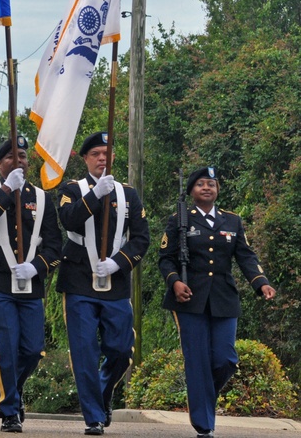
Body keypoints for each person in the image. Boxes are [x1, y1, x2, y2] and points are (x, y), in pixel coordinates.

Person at [158, 167, 276, 438]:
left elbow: (245, 255)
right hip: (189, 299)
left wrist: (261, 282)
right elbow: (165, 258)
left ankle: (201, 396)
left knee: (225, 359)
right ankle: (204, 425)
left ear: (218, 189)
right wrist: (175, 282)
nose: (207, 188)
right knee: (197, 360)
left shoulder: (232, 221)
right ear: (191, 191)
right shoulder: (179, 219)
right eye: (200, 184)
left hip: (223, 297)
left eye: (211, 184)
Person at [57, 131, 149, 436]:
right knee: (84, 352)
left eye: (106, 154)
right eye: (95, 153)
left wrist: (119, 262)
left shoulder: (128, 194)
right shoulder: (72, 189)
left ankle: (102, 390)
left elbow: (141, 239)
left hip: (116, 283)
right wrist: (95, 196)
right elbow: (69, 220)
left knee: (121, 349)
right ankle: (94, 417)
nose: (101, 159)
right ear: (85, 159)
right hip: (79, 282)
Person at [0, 135, 62, 433]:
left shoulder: (43, 197)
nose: (18, 161)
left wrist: (37, 267)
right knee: (8, 347)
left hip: (29, 284)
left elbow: (54, 246)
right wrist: (9, 188)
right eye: (10, 157)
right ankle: (9, 410)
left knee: (33, 349)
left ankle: (13, 389)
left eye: (22, 156)